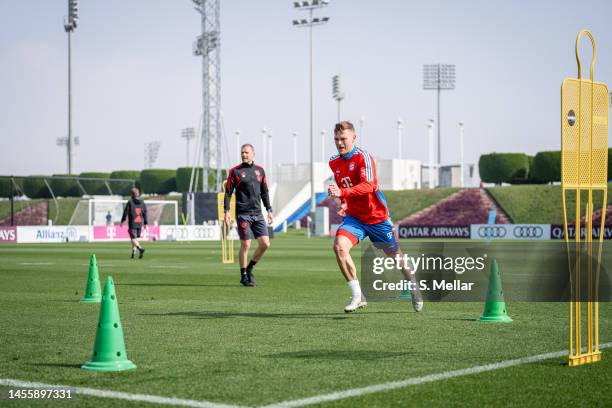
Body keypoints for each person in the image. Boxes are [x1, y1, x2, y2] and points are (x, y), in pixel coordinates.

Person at [327, 121, 423, 313]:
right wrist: (344, 204)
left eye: (343, 139)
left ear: (354, 138)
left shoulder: (364, 157)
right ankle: (357, 295)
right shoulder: (333, 162)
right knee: (339, 247)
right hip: (355, 218)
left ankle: (413, 285)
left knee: (397, 258)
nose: (339, 143)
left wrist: (343, 193)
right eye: (336, 139)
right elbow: (343, 186)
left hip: (377, 218)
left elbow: (368, 186)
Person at [224, 144, 273, 287]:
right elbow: (228, 192)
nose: (244, 155)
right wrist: (226, 211)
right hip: (243, 214)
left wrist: (269, 210)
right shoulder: (235, 172)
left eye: (246, 152)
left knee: (265, 244)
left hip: (258, 214)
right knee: (246, 244)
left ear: (253, 154)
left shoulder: (260, 171)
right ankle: (243, 275)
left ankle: (250, 267)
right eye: (242, 152)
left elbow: (265, 192)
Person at [120, 187, 148, 259]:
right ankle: (133, 253)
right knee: (134, 238)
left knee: (133, 238)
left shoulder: (130, 202)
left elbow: (125, 212)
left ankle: (140, 248)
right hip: (139, 223)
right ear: (138, 194)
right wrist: (145, 223)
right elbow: (145, 212)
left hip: (132, 223)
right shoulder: (142, 202)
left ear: (131, 194)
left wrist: (123, 220)